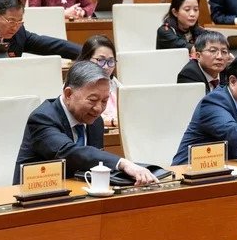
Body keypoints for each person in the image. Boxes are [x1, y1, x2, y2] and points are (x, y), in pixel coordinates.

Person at [13, 61, 157, 185]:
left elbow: (94, 165)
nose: (99, 108)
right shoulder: (42, 118)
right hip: (37, 196)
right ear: (69, 94)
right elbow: (69, 153)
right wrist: (122, 163)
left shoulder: (95, 121)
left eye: (104, 101)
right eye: (92, 100)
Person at [77, 34, 119, 127]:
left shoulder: (114, 83)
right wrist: (112, 122)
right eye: (100, 60)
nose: (106, 66)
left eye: (111, 61)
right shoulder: (76, 86)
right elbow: (81, 117)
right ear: (86, 59)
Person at [177, 30, 230, 94]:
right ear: (198, 56)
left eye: (224, 52)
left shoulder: (229, 71)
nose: (220, 57)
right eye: (213, 51)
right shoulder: (189, 74)